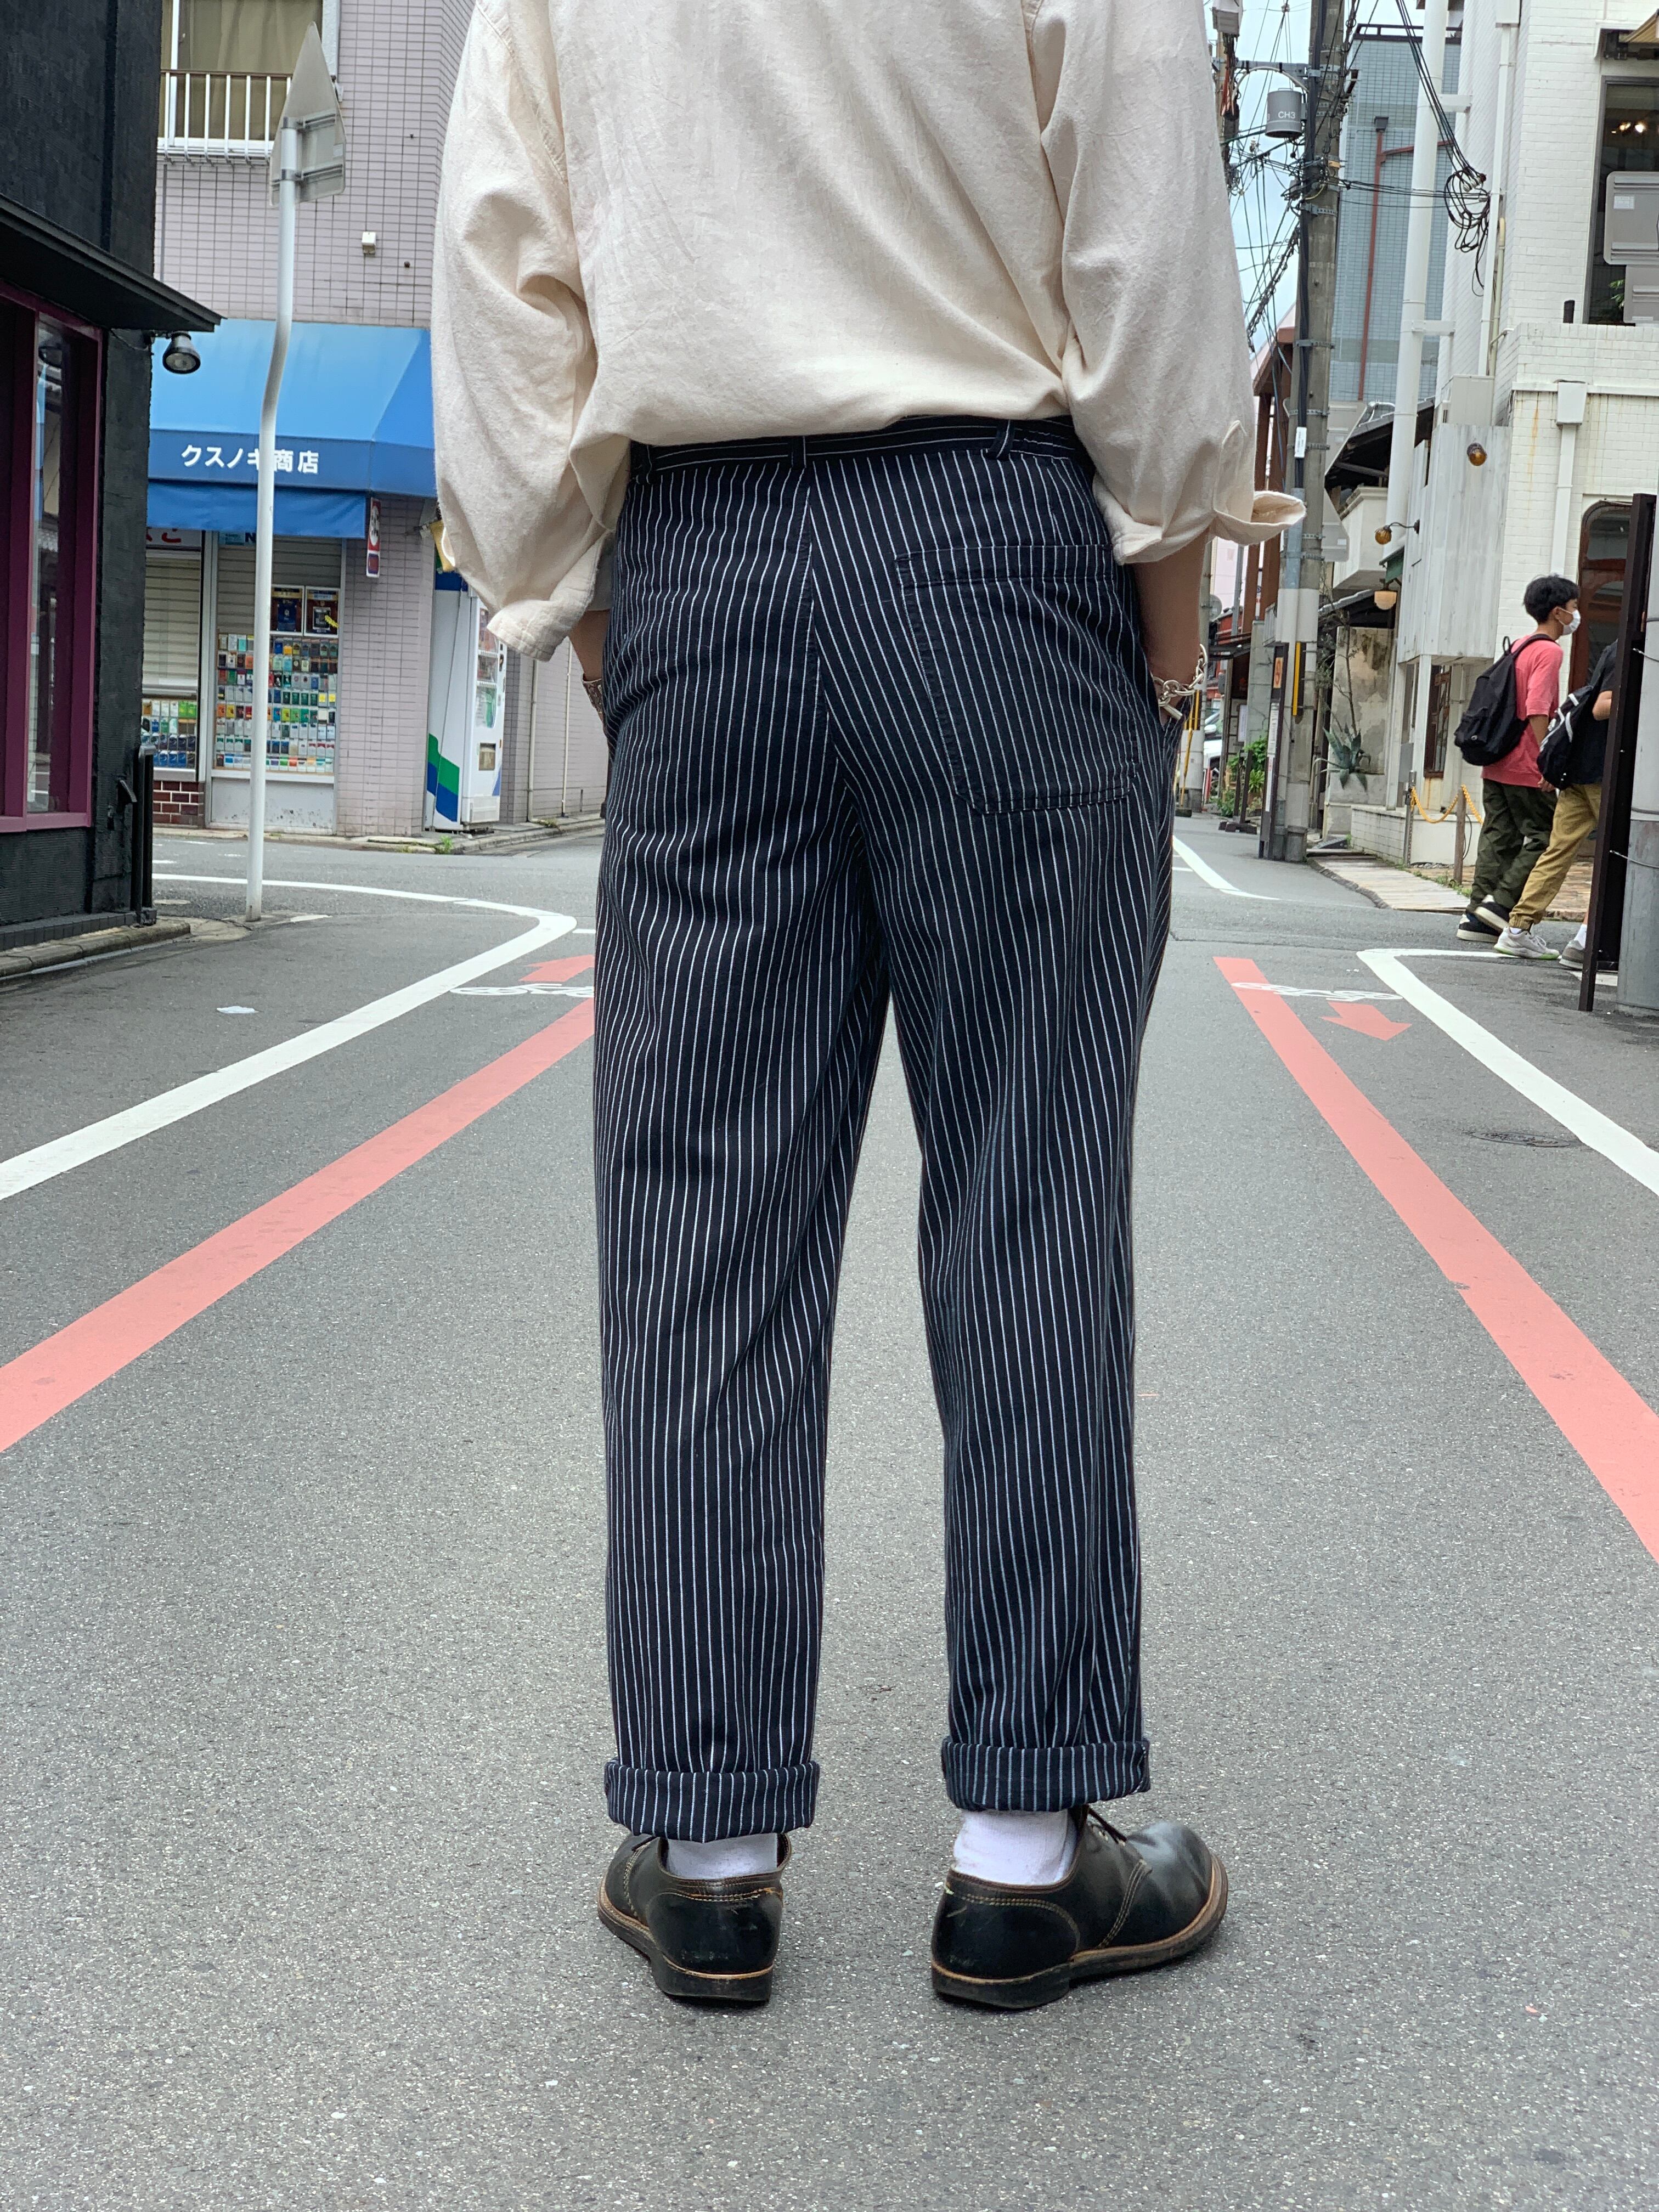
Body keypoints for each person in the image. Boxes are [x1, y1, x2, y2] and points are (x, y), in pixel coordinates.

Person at [432, 0, 1297, 2013]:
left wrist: (595, 604)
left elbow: (503, 265)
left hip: (703, 561)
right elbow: (1149, 252)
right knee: (1027, 1199)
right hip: (1002, 548)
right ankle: (1023, 1855)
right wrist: (1165, 642)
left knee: (701, 1223)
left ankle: (708, 1850)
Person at [1456, 577, 1575, 945]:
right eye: (1573, 608)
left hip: (1497, 757)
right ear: (1558, 612)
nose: (1576, 615)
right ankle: (1502, 904)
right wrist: (1546, 759)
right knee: (1547, 835)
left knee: (1499, 835)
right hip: (1525, 761)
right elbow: (1538, 707)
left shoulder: (1520, 646)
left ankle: (1476, 915)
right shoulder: (1549, 652)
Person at [1496, 640, 1615, 961]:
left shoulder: (1611, 649)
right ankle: (1587, 940)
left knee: (1558, 851)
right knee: (1618, 854)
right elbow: (1602, 707)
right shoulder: (1633, 649)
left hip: (1578, 769)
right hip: (1605, 772)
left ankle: (1518, 929)